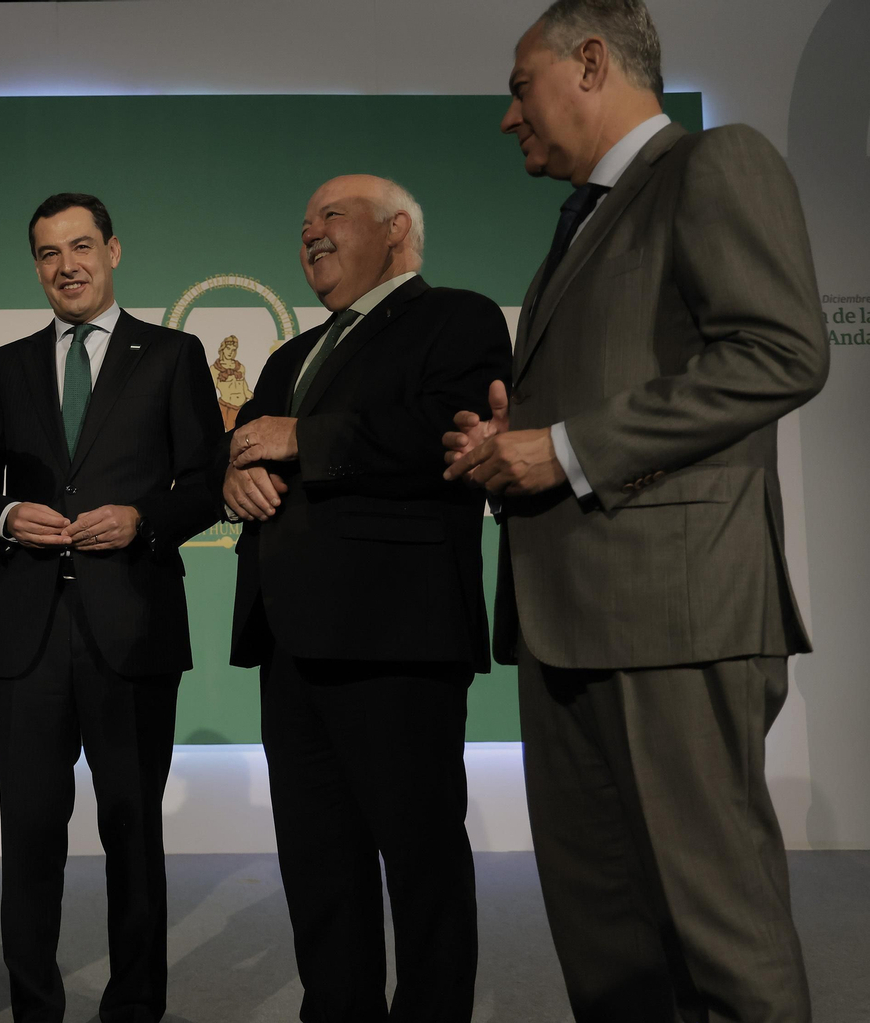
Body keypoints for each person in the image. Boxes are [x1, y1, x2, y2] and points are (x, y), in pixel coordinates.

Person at [443, 2, 827, 1020]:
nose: (507, 116)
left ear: (590, 63)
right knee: (607, 944)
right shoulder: (582, 222)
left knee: (719, 937)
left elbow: (780, 353)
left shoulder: (711, 164)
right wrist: (511, 439)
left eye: (519, 86)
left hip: (675, 620)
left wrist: (563, 448)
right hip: (565, 624)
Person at [224, 176, 511, 1022]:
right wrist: (233, 478)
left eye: (330, 216)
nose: (309, 232)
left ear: (396, 232)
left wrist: (302, 438)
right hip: (290, 642)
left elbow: (449, 431)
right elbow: (239, 445)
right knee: (319, 869)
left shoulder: (456, 317)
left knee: (420, 865)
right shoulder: (288, 356)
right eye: (303, 221)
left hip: (399, 637)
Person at [0, 193, 221, 1023]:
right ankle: (36, 1009)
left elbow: (208, 485)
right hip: (27, 638)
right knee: (29, 839)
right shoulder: (6, 364)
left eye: (79, 247)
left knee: (132, 837)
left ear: (113, 250)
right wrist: (2, 516)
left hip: (132, 628)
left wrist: (144, 519)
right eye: (46, 253)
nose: (64, 266)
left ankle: (133, 1011)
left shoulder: (173, 355)